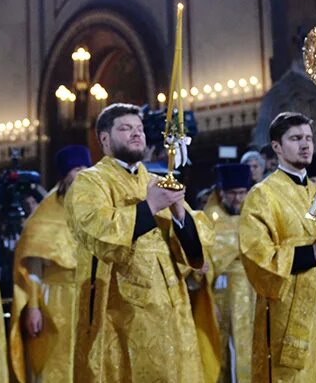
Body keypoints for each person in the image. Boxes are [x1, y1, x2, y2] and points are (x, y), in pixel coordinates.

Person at [65, 103, 216, 382]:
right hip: (122, 312)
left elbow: (197, 248)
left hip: (173, 309)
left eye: (140, 129)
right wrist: (149, 207)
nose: (137, 134)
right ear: (105, 139)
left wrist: (180, 214)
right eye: (125, 129)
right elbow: (98, 230)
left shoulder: (158, 181)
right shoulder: (90, 182)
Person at [239, 112, 316, 382]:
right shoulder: (262, 195)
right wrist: (312, 253)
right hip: (287, 310)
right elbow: (256, 255)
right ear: (277, 147)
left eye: (308, 138)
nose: (305, 144)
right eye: (295, 139)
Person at [9, 144, 89, 383]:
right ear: (65, 175)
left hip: (90, 299)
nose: (83, 174)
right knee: (54, 366)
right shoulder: (45, 214)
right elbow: (32, 267)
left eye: (87, 168)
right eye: (77, 168)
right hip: (55, 299)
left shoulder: (97, 207)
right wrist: (33, 307)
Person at [205, 163, 255, 383]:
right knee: (228, 352)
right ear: (221, 192)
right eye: (232, 193)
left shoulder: (254, 216)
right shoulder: (209, 219)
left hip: (254, 294)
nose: (238, 199)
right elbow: (204, 261)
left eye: (242, 193)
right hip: (222, 295)